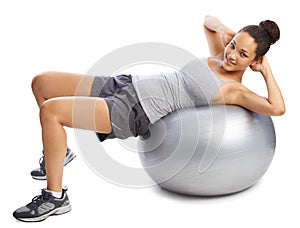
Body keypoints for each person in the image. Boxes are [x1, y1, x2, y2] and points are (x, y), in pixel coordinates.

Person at [13, 15, 285, 222]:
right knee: (42, 83)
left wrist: (266, 71)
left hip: (134, 111)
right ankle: (58, 155)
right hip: (126, 84)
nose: (231, 54)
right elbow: (208, 22)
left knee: (52, 112)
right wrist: (230, 33)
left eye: (243, 54)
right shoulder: (218, 57)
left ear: (254, 61)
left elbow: (277, 108)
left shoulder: (234, 91)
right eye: (234, 45)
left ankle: (55, 197)